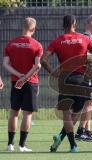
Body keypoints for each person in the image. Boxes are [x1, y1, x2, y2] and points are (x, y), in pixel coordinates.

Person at [41, 15, 92, 152]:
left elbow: (44, 60)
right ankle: (62, 138)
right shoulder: (84, 38)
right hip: (81, 79)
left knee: (67, 113)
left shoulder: (57, 41)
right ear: (75, 23)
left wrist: (52, 72)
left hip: (65, 79)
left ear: (64, 24)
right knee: (77, 112)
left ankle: (71, 144)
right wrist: (89, 67)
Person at [3, 17, 42, 152]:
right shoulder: (36, 44)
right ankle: (21, 145)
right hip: (30, 81)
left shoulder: (11, 44)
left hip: (16, 81)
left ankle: (10, 144)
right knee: (27, 114)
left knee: (14, 112)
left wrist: (19, 75)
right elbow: (37, 66)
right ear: (33, 29)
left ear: (22, 27)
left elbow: (5, 64)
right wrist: (26, 77)